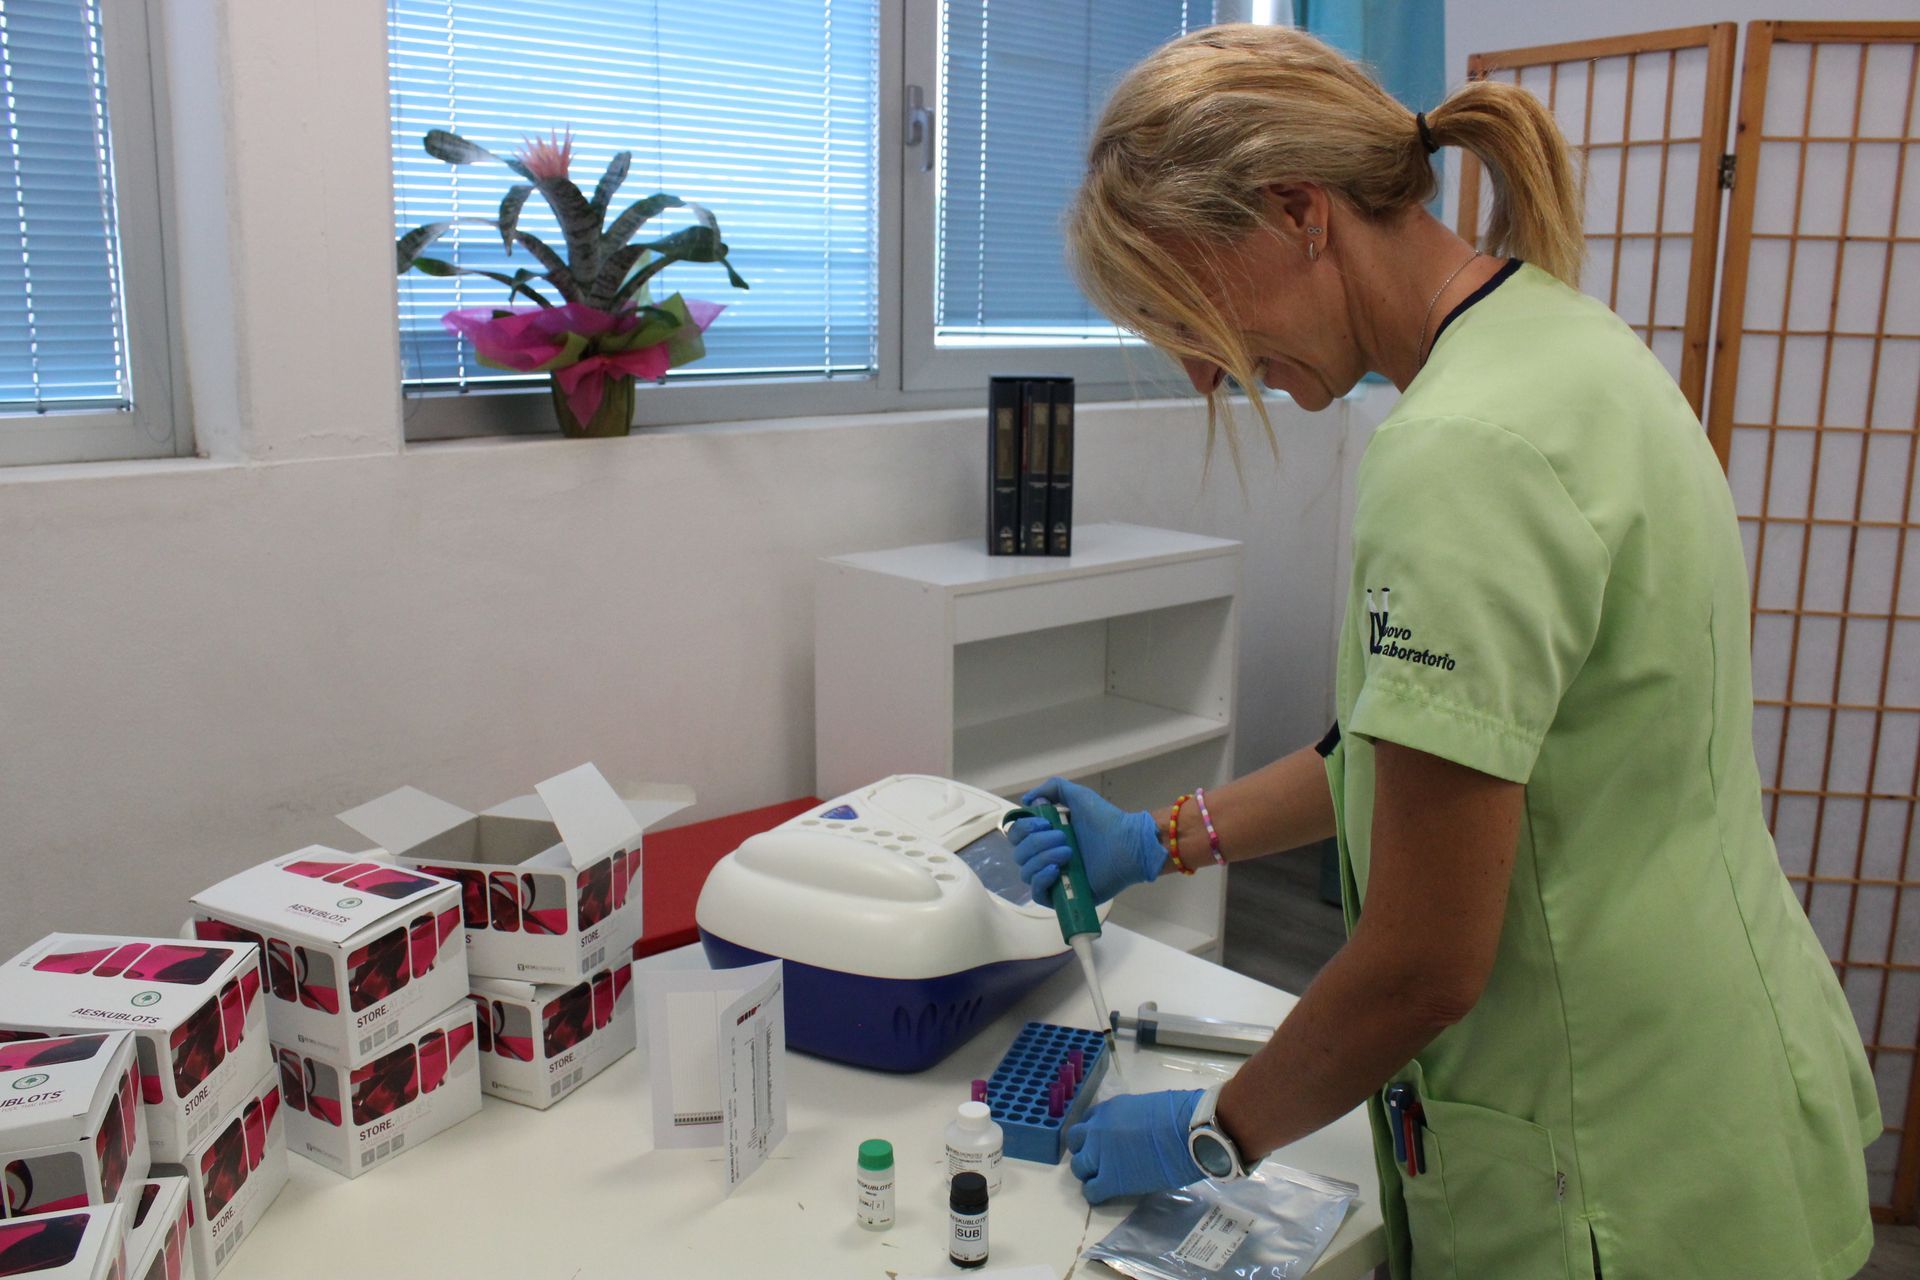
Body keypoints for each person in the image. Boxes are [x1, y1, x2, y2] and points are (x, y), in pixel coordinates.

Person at [1007, 24, 1880, 1280]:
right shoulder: (1567, 346)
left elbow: (1422, 958)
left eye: (1188, 312)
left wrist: (1216, 1126)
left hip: (1606, 1152)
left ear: (1299, 211)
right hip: (1722, 1088)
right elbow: (1424, 750)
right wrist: (1164, 835)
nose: (1205, 369)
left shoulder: (1458, 452)